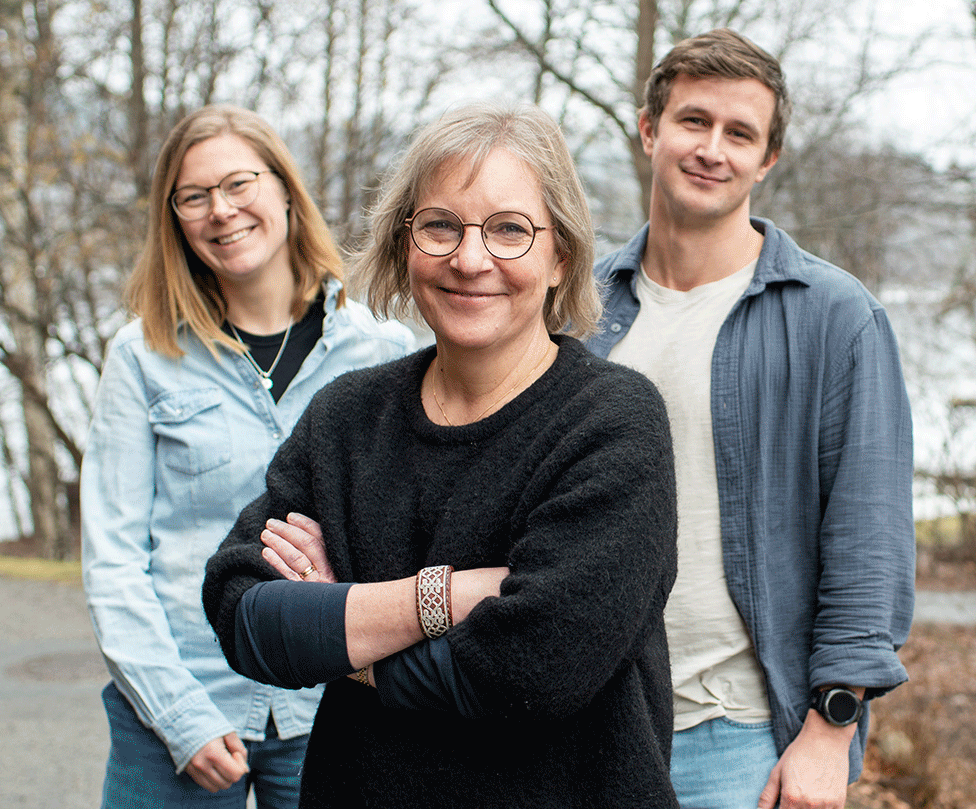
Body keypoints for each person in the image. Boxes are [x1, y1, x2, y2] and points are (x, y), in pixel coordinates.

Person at [201, 101, 680, 808]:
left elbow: (534, 669)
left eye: (510, 230)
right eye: (440, 226)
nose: (470, 258)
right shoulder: (348, 417)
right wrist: (449, 597)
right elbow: (244, 618)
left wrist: (340, 629)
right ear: (405, 244)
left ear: (561, 257)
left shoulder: (612, 421)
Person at [584, 28, 915, 809]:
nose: (712, 149)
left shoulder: (836, 318)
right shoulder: (580, 311)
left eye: (740, 134)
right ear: (648, 130)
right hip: (585, 727)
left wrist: (830, 731)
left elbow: (869, 540)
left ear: (767, 160)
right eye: (694, 121)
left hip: (736, 740)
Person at [81, 104, 415, 808]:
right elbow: (113, 561)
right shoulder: (141, 357)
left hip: (333, 705)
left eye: (239, 184)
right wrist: (178, 716)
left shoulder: (381, 350)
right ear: (173, 219)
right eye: (193, 197)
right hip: (179, 713)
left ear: (285, 189)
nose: (221, 211)